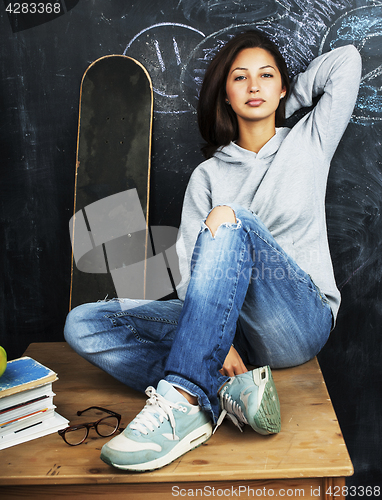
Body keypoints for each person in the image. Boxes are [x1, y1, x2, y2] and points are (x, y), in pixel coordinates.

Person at [64, 30, 362, 472]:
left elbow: (348, 60)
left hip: (298, 320)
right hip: (231, 332)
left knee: (229, 219)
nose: (255, 86)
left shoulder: (309, 141)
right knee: (84, 323)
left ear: (281, 86)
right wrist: (216, 343)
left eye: (267, 76)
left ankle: (184, 400)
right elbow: (187, 273)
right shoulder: (207, 174)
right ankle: (224, 390)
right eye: (240, 78)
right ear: (225, 94)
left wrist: (291, 101)